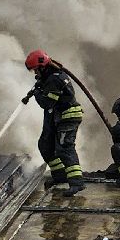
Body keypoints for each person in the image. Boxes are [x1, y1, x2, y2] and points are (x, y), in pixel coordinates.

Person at [22, 50, 85, 195]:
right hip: (57, 116)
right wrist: (40, 85)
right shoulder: (50, 77)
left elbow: (47, 103)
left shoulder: (56, 79)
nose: (35, 73)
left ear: (43, 66)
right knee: (45, 145)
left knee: (65, 148)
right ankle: (60, 176)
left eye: (36, 70)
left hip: (68, 115)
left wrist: (38, 92)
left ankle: (77, 183)